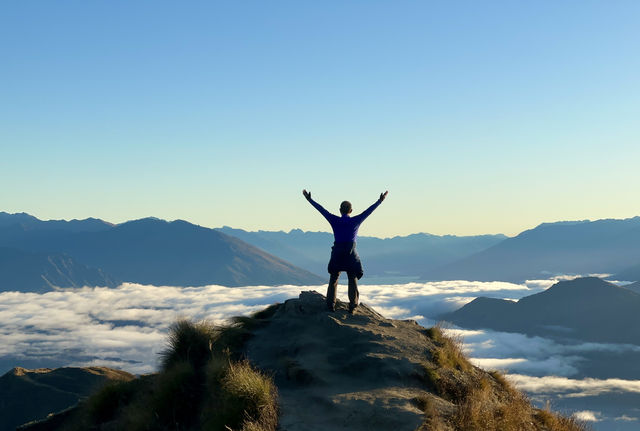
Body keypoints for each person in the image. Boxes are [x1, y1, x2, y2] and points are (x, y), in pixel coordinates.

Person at [302, 189, 388, 313]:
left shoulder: (334, 219)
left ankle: (330, 305)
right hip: (350, 253)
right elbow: (369, 211)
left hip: (337, 253)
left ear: (340, 210)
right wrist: (380, 200)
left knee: (334, 278)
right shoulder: (355, 220)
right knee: (352, 277)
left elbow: (321, 210)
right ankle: (353, 306)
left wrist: (309, 199)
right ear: (351, 211)